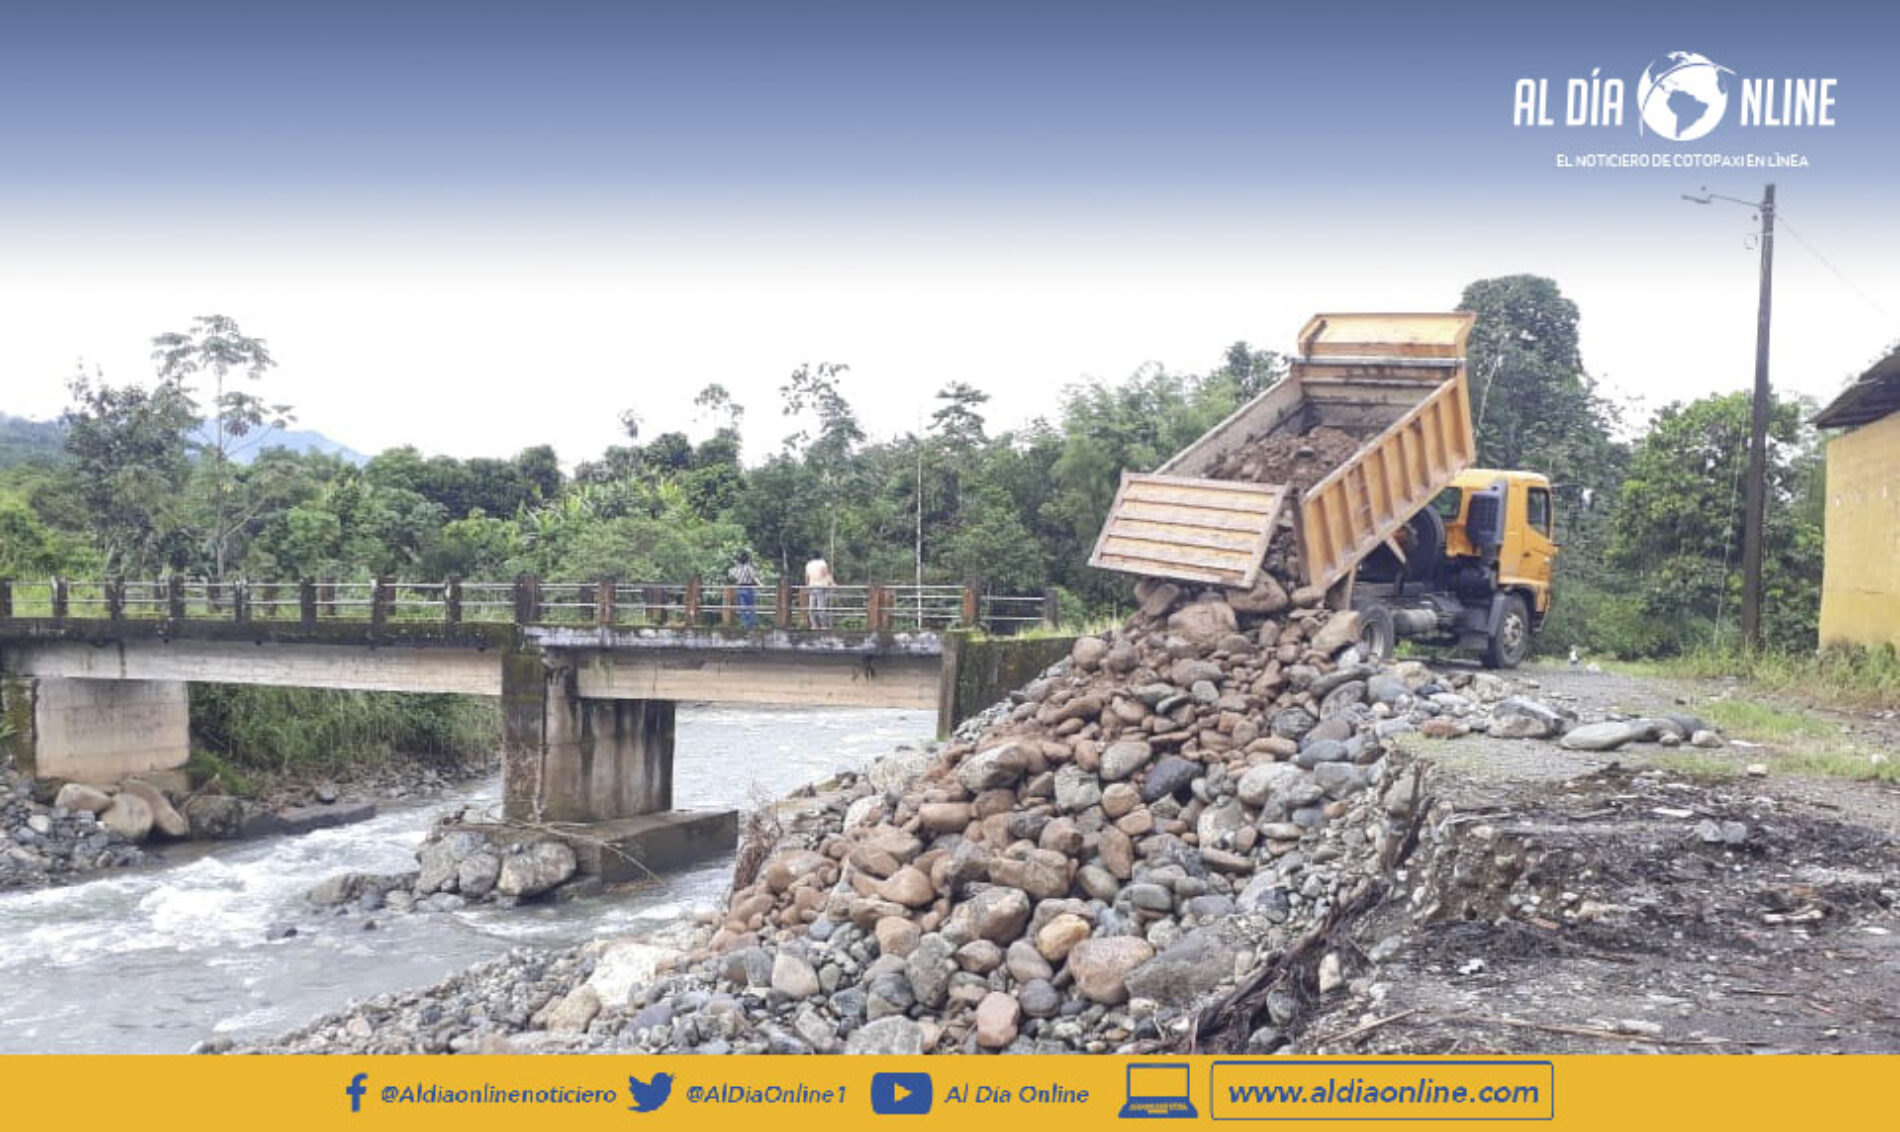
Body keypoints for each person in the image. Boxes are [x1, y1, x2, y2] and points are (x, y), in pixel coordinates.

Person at [729, 550, 761, 629]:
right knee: (750, 607)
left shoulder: (737, 568)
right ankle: (751, 624)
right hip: (748, 588)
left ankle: (746, 624)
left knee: (743, 608)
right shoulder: (748, 567)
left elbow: (732, 576)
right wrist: (760, 584)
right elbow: (754, 577)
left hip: (740, 588)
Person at [804, 554, 834, 630]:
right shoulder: (822, 563)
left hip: (812, 585)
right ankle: (823, 625)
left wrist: (807, 586)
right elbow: (826, 574)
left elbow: (807, 577)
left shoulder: (809, 564)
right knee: (821, 606)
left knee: (812, 606)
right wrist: (832, 583)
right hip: (821, 585)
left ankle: (813, 625)